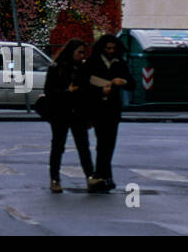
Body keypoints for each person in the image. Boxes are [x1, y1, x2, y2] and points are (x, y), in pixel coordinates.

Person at [43, 39, 95, 193]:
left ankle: (90, 177)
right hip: (61, 112)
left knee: (83, 146)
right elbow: (49, 91)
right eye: (79, 52)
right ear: (71, 52)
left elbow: (88, 92)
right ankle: (55, 179)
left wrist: (89, 115)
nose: (81, 55)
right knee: (58, 146)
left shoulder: (83, 68)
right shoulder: (57, 68)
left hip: (78, 112)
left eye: (83, 53)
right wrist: (67, 91)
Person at [82, 33, 130, 193]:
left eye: (113, 49)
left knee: (109, 144)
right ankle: (103, 175)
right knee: (103, 143)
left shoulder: (119, 63)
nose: (110, 51)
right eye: (108, 48)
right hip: (98, 108)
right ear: (102, 48)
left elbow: (132, 83)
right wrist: (100, 90)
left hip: (113, 109)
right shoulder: (93, 62)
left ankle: (103, 175)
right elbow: (85, 84)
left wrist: (122, 81)